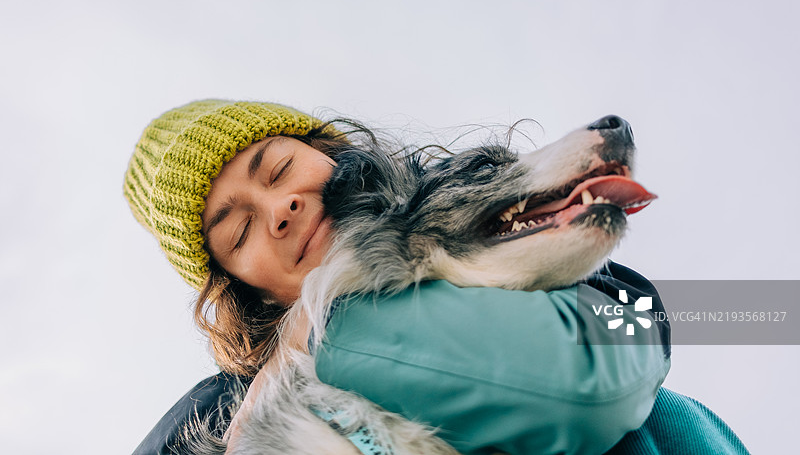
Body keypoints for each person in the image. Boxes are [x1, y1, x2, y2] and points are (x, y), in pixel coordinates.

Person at [125, 99, 747, 454]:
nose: (281, 209)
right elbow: (587, 381)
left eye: (280, 168)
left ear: (329, 151)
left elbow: (737, 313)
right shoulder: (212, 416)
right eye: (238, 233)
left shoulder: (486, 224)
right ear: (241, 286)